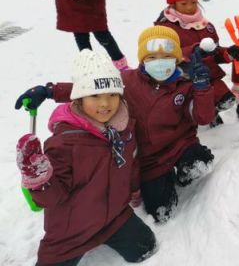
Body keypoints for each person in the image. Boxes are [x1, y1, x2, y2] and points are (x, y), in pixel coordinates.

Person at [15, 26, 217, 223]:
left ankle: (183, 176)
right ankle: (164, 182)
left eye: (166, 57)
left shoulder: (186, 84)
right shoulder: (126, 81)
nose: (159, 63)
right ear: (142, 60)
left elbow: (203, 117)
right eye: (152, 58)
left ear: (176, 59)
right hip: (150, 159)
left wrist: (202, 88)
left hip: (180, 145)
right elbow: (90, 88)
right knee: (162, 212)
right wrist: (49, 91)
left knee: (201, 161)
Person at [15, 50, 156, 265]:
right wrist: (38, 179)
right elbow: (51, 199)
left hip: (114, 217)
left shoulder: (124, 127)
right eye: (95, 96)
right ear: (79, 99)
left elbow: (132, 161)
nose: (105, 104)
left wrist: (134, 188)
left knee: (146, 247)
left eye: (112, 95)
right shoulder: (64, 143)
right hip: (71, 233)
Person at [154, 0, 239, 126]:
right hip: (182, 78)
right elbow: (165, 56)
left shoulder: (205, 25)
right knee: (191, 102)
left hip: (209, 74)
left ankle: (211, 112)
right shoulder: (165, 28)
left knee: (225, 98)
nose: (190, 7)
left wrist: (228, 53)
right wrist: (194, 50)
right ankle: (192, 115)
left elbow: (215, 51)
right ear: (172, 4)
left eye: (193, 2)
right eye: (184, 3)